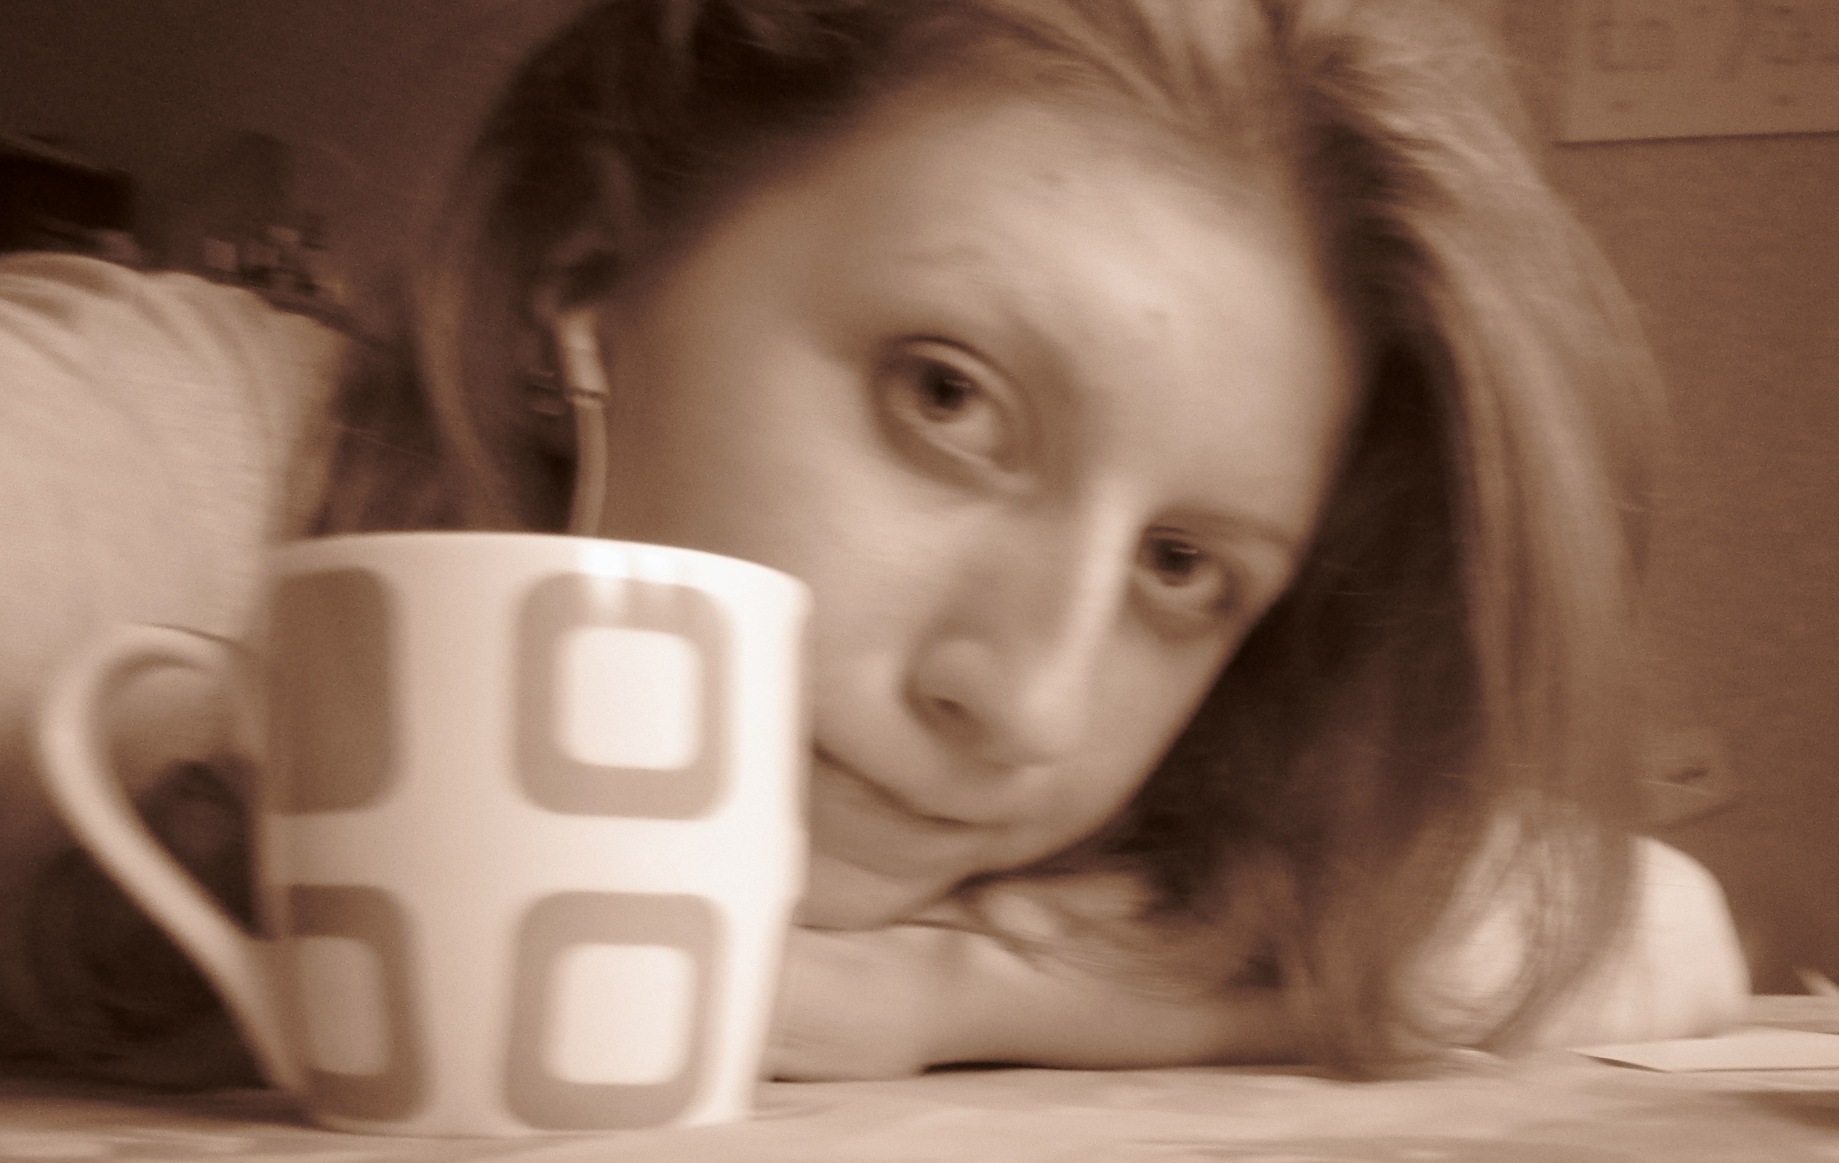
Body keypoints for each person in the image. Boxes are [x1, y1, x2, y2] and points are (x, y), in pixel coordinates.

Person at [0, 0, 1749, 1090]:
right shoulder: (187, 456)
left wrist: (955, 990)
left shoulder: (1104, 813)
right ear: (590, 272)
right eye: (947, 398)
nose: (1029, 701)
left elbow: (1644, 927)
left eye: (1180, 569)